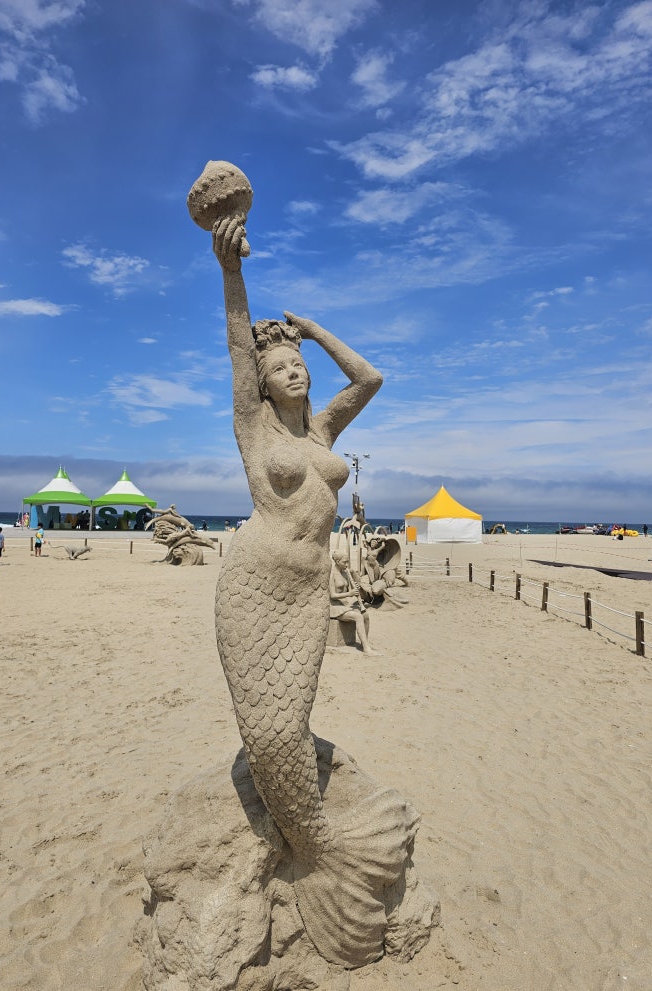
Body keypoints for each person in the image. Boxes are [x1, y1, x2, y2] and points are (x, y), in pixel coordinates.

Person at [211, 214, 387, 966]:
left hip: (308, 591)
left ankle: (310, 850)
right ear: (260, 381)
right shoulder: (255, 429)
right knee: (271, 733)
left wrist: (314, 332)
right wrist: (232, 272)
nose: (295, 372)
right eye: (281, 366)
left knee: (291, 720)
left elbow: (369, 379)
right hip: (255, 583)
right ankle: (309, 851)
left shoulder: (321, 434)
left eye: (298, 365)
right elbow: (235, 342)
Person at [329, 550, 374, 653]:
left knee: (365, 615)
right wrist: (350, 593)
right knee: (357, 616)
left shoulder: (345, 573)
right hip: (334, 606)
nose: (346, 565)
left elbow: (349, 590)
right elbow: (333, 595)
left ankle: (364, 642)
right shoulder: (331, 575)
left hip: (345, 605)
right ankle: (366, 648)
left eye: (347, 562)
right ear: (337, 561)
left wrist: (355, 587)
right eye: (344, 562)